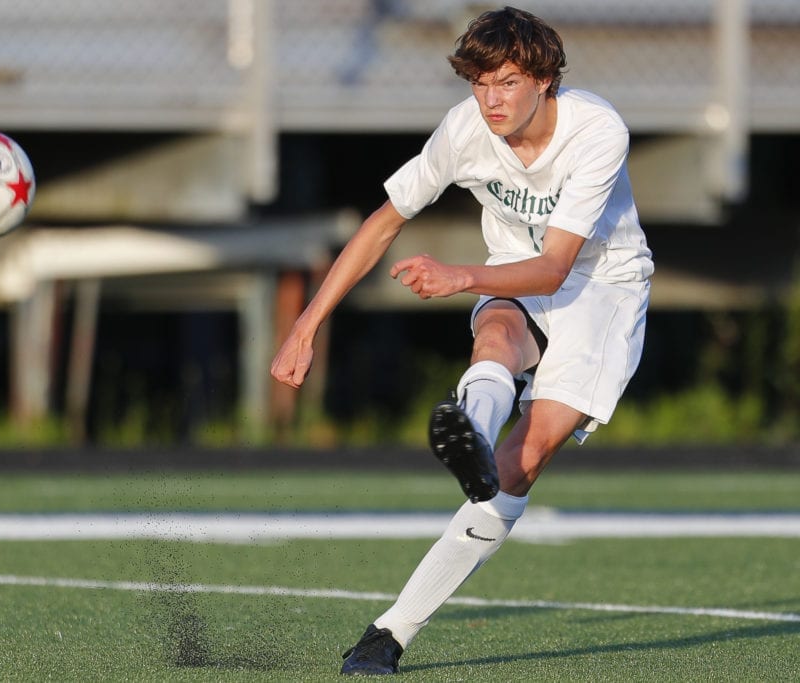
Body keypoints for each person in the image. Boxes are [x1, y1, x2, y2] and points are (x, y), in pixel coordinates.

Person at [270, 5, 653, 676]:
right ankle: (469, 436)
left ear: (544, 79)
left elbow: (558, 265)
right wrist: (306, 324)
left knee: (523, 460)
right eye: (479, 82)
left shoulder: (597, 129)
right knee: (497, 333)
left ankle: (393, 626)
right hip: (514, 277)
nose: (491, 99)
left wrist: (460, 276)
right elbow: (383, 222)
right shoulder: (465, 129)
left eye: (506, 81)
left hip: (604, 290)